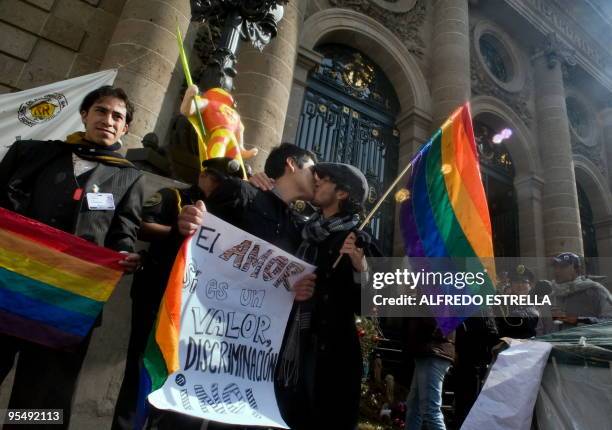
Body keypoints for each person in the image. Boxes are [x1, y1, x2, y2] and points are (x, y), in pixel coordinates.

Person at [0, 85, 144, 429]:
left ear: (124, 128)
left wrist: (124, 256)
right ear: (85, 115)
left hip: (66, 303)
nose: (108, 120)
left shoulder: (127, 177)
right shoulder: (35, 155)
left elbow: (124, 233)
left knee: (42, 397)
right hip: (8, 289)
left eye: (117, 117)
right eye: (101, 111)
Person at [176, 143, 318, 428]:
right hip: (204, 328)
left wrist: (300, 289)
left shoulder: (297, 227)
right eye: (313, 169)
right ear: (291, 164)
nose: (318, 178)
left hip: (250, 347)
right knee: (184, 413)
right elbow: (198, 237)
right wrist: (188, 223)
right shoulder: (242, 192)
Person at [111, 157, 247, 430]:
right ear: (204, 176)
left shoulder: (231, 213)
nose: (222, 187)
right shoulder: (175, 197)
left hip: (196, 307)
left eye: (230, 184)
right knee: (142, 371)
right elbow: (141, 224)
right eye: (218, 180)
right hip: (158, 294)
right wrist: (177, 230)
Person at [289, 162, 379, 430]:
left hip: (332, 358)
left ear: (342, 193)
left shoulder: (358, 240)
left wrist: (359, 267)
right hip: (293, 344)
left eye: (324, 180)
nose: (316, 182)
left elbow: (372, 304)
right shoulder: (304, 231)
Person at [551, 252, 612, 328]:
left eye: (563, 266)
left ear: (577, 269)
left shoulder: (594, 290)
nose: (557, 271)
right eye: (555, 267)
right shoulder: (551, 295)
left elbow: (608, 321)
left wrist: (571, 319)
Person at [496, 264, 539, 339]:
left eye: (524, 282)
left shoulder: (537, 303)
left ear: (530, 285)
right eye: (516, 282)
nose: (520, 285)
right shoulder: (502, 304)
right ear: (511, 285)